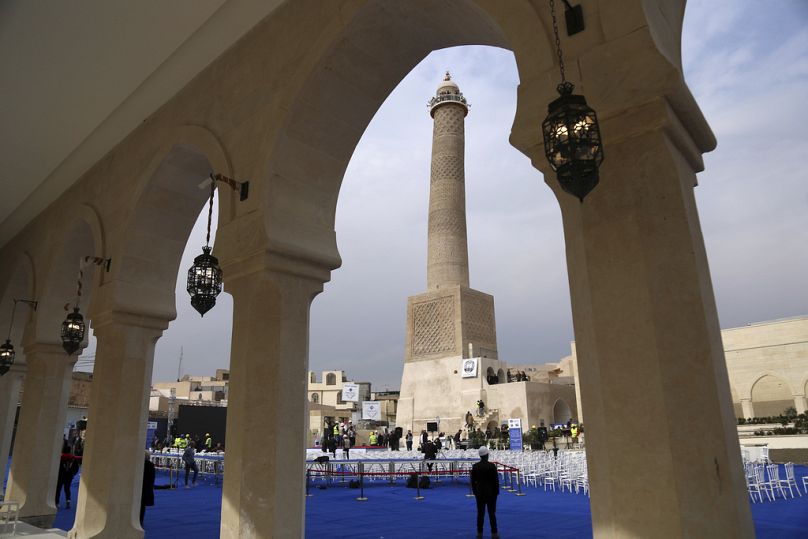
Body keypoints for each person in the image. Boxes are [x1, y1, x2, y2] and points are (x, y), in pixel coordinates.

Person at [471, 446, 499, 538]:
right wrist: (496, 493)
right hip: (491, 493)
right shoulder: (492, 466)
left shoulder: (475, 467)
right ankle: (494, 533)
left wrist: (475, 492)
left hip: (479, 493)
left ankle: (479, 533)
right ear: (487, 455)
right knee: (492, 514)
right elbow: (496, 481)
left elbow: (473, 482)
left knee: (480, 514)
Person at [55, 440, 81, 509]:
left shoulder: (60, 458)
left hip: (60, 476)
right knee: (67, 489)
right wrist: (73, 474)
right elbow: (76, 468)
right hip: (69, 476)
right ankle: (68, 501)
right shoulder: (72, 458)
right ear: (70, 451)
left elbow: (56, 467)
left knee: (58, 489)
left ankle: (57, 503)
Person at [141, 451, 155, 526]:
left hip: (139, 486)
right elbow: (152, 478)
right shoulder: (151, 465)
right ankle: (141, 520)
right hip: (146, 488)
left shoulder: (138, 464)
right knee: (142, 506)